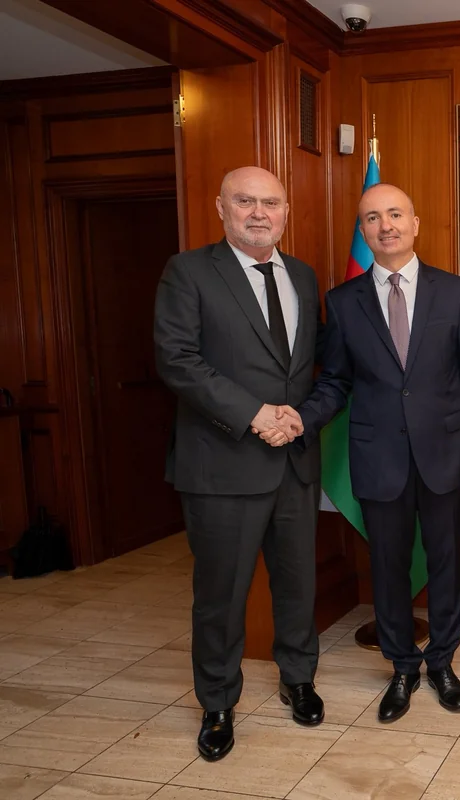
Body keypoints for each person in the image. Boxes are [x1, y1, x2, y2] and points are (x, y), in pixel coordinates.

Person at [295, 183, 460, 722]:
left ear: (415, 222)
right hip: (377, 456)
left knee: (447, 563)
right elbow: (334, 381)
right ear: (362, 231)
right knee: (387, 568)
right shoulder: (342, 301)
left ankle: (444, 664)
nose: (385, 226)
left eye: (395, 215)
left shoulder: (452, 291)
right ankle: (403, 667)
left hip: (446, 456)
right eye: (372, 218)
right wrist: (302, 420)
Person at [153, 166, 325, 762]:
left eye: (270, 202)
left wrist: (297, 418)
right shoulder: (190, 271)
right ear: (220, 206)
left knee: (297, 584)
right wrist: (255, 414)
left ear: (286, 210)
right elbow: (177, 360)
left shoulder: (303, 275)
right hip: (223, 465)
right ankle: (218, 703)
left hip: (295, 463)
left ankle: (299, 680)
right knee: (221, 596)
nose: (259, 212)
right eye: (245, 201)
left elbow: (309, 366)